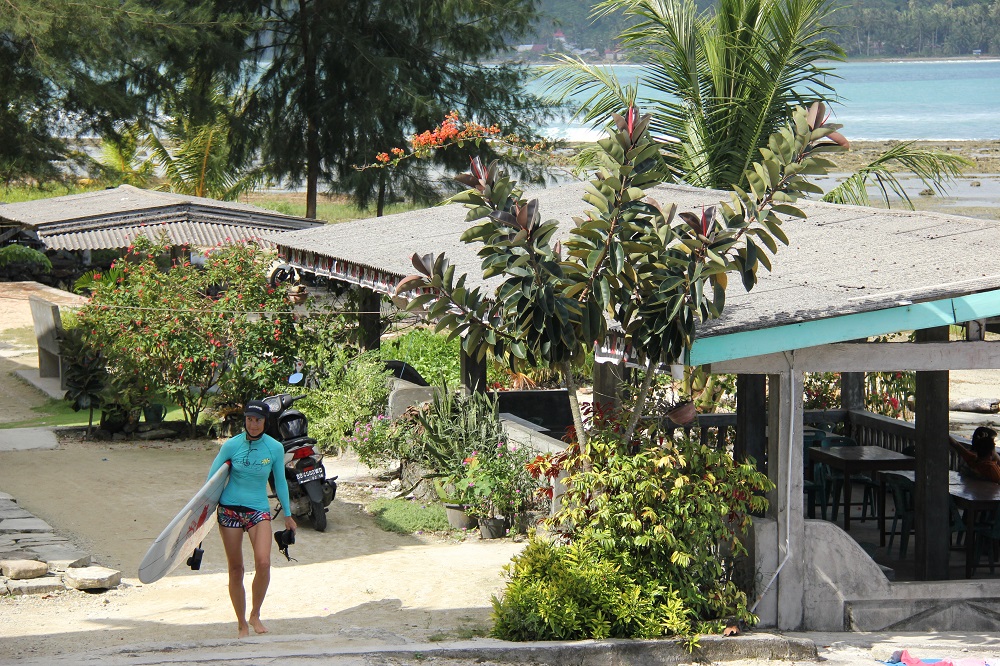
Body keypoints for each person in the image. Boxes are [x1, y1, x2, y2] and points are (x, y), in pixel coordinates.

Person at [207, 399, 296, 638]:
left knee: (264, 563)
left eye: (258, 420)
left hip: (258, 510)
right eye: (249, 419)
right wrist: (201, 515)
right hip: (229, 510)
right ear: (245, 420)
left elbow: (280, 482)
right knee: (236, 568)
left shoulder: (274, 448)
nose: (253, 424)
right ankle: (241, 623)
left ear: (265, 422)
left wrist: (288, 515)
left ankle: (255, 614)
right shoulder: (231, 445)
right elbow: (212, 479)